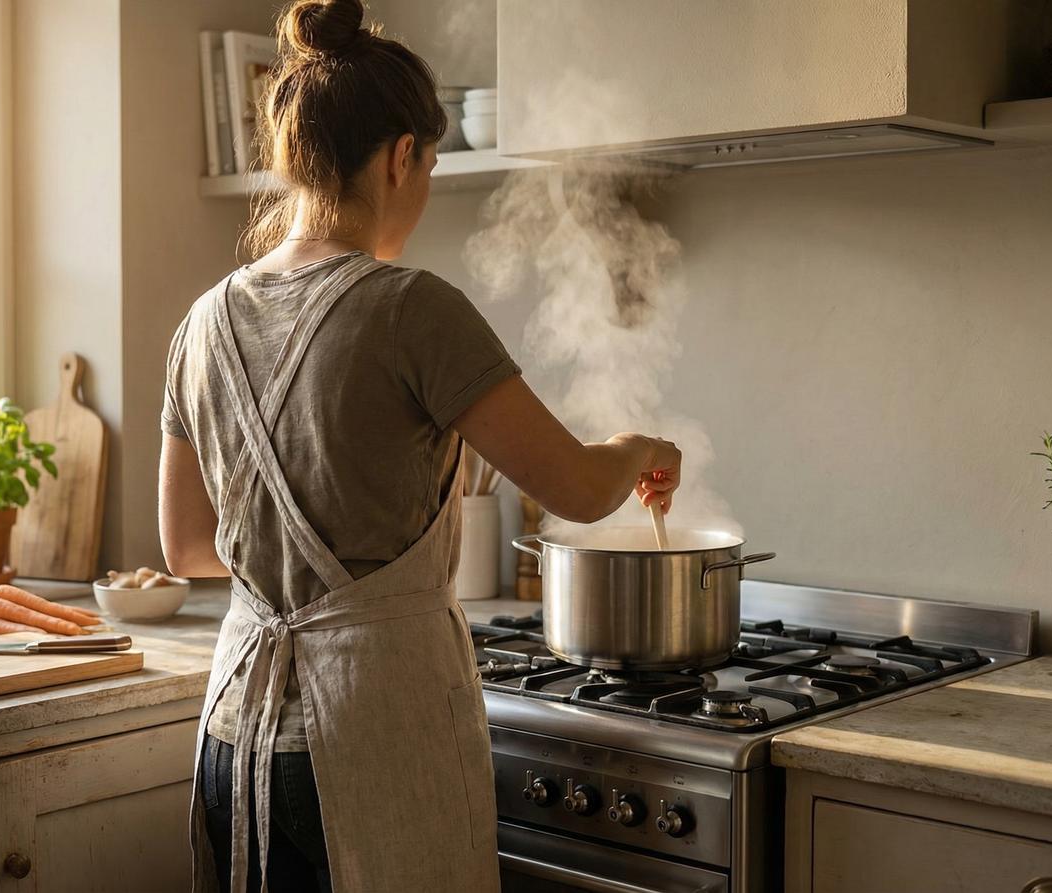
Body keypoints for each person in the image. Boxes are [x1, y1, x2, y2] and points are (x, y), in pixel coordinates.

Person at [158, 1, 681, 890]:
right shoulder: (409, 307)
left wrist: (295, 575)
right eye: (430, 163)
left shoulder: (200, 323)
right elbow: (583, 491)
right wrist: (638, 447)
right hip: (367, 741)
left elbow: (181, 550)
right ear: (403, 155)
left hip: (233, 734)